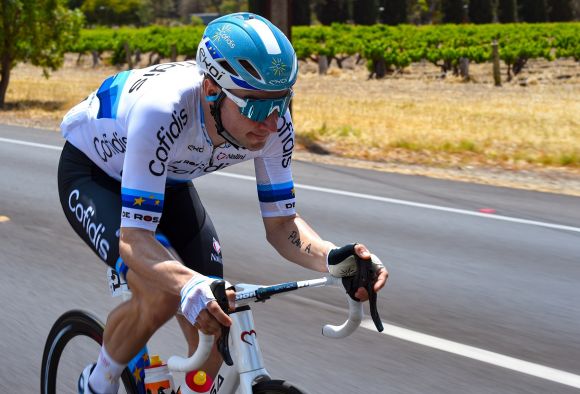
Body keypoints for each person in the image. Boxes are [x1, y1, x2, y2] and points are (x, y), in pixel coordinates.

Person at [57, 12, 388, 394]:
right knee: (162, 295)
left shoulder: (273, 123)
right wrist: (185, 285)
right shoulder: (162, 111)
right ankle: (96, 383)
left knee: (216, 325)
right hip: (94, 174)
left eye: (282, 103)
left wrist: (336, 258)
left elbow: (282, 226)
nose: (271, 122)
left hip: (168, 179)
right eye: (256, 107)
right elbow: (134, 238)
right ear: (213, 90)